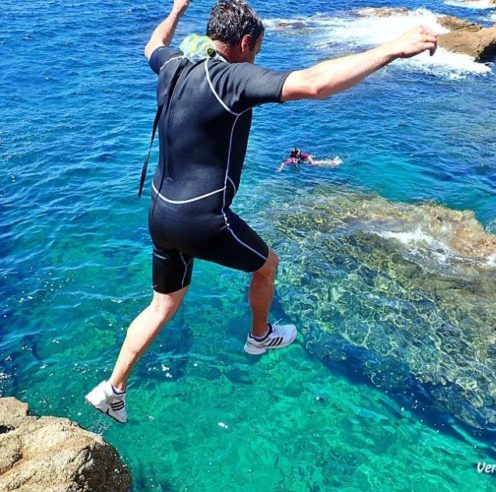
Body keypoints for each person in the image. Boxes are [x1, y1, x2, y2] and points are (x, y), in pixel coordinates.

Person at [85, 0, 437, 423]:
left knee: (162, 304)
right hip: (201, 218)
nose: (256, 59)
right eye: (257, 51)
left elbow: (152, 45)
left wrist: (178, 9)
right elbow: (315, 84)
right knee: (267, 264)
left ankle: (113, 388)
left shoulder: (174, 65)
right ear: (246, 42)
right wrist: (391, 49)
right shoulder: (232, 78)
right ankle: (259, 336)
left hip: (161, 214)